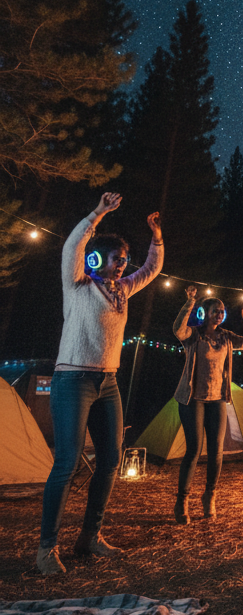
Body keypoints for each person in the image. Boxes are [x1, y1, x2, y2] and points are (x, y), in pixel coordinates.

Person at [37, 193, 164, 575]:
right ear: (98, 260)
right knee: (67, 462)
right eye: (116, 258)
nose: (123, 264)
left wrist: (156, 235)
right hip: (72, 379)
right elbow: (73, 245)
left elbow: (152, 269)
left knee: (110, 459)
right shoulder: (76, 284)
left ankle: (89, 536)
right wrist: (98, 213)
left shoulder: (122, 290)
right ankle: (46, 547)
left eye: (124, 259)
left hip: (107, 382)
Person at [172, 287, 243, 522]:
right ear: (205, 313)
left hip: (217, 399)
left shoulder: (226, 337)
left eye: (222, 311)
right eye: (215, 311)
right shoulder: (193, 335)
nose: (219, 314)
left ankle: (209, 496)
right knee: (194, 450)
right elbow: (177, 329)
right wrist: (189, 302)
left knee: (216, 452)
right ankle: (182, 501)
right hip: (192, 399)